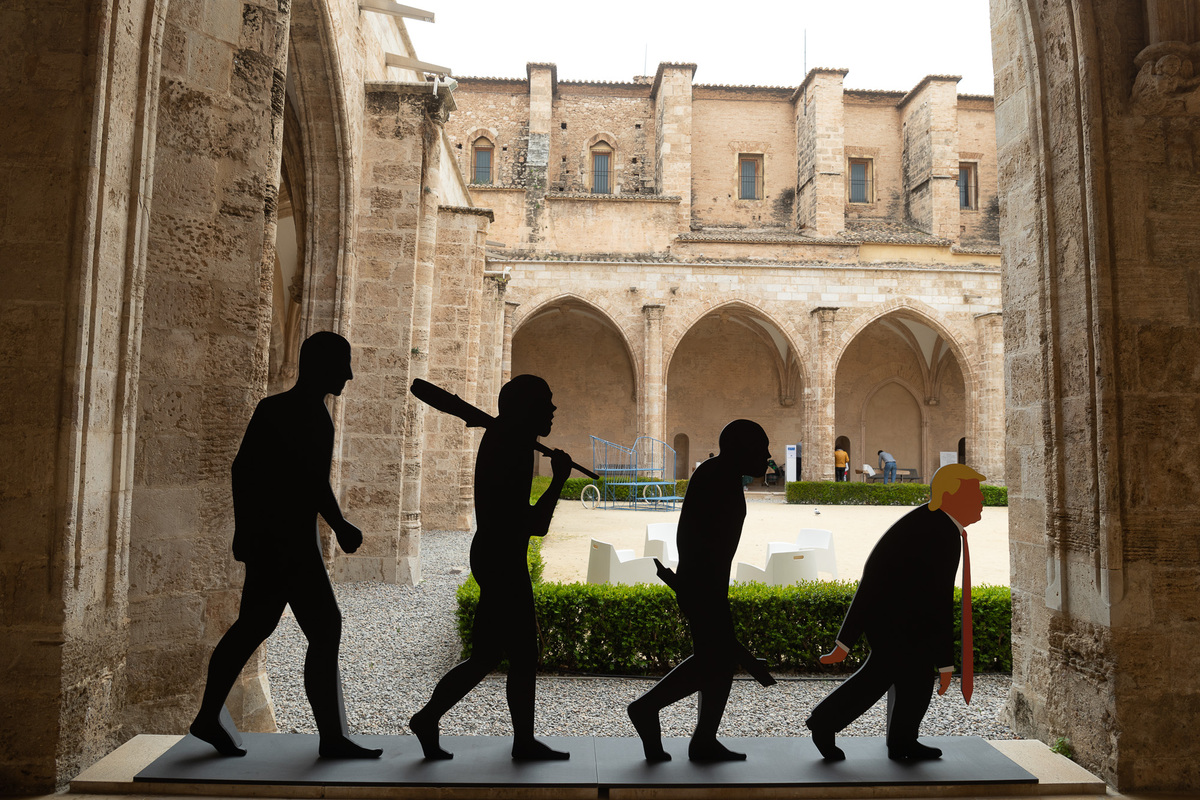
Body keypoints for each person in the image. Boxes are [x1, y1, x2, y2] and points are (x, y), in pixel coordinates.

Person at [190, 332, 381, 759]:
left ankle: (208, 716)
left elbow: (248, 470)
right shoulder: (309, 415)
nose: (349, 374)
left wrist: (246, 530)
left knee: (254, 626)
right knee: (322, 627)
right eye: (343, 364)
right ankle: (331, 738)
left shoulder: (279, 409)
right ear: (322, 366)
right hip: (289, 543)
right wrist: (342, 525)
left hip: (276, 540)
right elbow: (308, 482)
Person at [410, 375, 573, 761]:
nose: (553, 409)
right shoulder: (512, 448)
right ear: (526, 408)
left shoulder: (507, 440)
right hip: (502, 558)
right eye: (545, 402)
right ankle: (518, 741)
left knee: (493, 655)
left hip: (494, 554)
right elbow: (536, 525)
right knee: (516, 655)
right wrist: (558, 482)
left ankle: (434, 719)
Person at [804, 464, 986, 762]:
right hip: (896, 622)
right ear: (951, 495)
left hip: (899, 619)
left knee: (907, 680)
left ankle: (899, 741)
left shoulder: (933, 523)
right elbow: (936, 600)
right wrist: (944, 662)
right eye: (975, 493)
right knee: (888, 678)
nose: (981, 500)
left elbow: (886, 581)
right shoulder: (938, 531)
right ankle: (830, 724)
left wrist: (845, 641)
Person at [627, 420, 776, 763]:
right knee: (715, 661)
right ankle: (647, 708)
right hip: (704, 586)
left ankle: (703, 739)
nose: (768, 456)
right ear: (741, 449)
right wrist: (699, 593)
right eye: (762, 448)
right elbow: (698, 541)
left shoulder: (720, 475)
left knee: (717, 663)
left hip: (706, 585)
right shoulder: (717, 478)